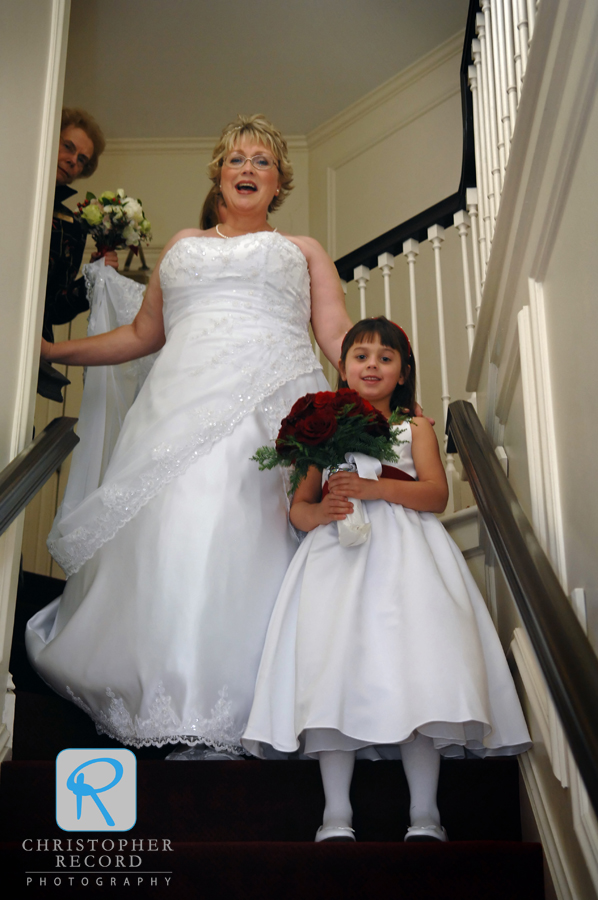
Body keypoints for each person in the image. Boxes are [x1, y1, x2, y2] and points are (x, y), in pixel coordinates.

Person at [25, 114, 352, 754]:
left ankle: (256, 700)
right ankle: (170, 689)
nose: (247, 169)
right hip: (176, 409)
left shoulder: (304, 250)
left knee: (247, 534)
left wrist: (382, 385)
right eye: (236, 160)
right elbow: (141, 337)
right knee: (177, 535)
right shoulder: (180, 246)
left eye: (261, 160)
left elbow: (336, 334)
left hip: (270, 410)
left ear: (280, 180)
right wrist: (50, 350)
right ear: (218, 175)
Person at [242, 317, 531, 841]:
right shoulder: (322, 429)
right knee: (332, 673)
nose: (371, 364)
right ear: (343, 367)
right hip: (335, 562)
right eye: (360, 355)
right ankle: (336, 814)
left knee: (415, 671)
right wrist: (323, 507)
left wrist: (376, 491)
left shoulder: (414, 427)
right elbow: (298, 511)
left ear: (402, 372)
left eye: (385, 357)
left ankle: (425, 814)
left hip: (406, 559)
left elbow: (436, 495)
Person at [40, 108, 118, 399]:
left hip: (26, 353)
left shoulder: (73, 228)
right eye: (68, 147)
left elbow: (56, 308)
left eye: (81, 159)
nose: (72, 160)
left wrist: (94, 277)